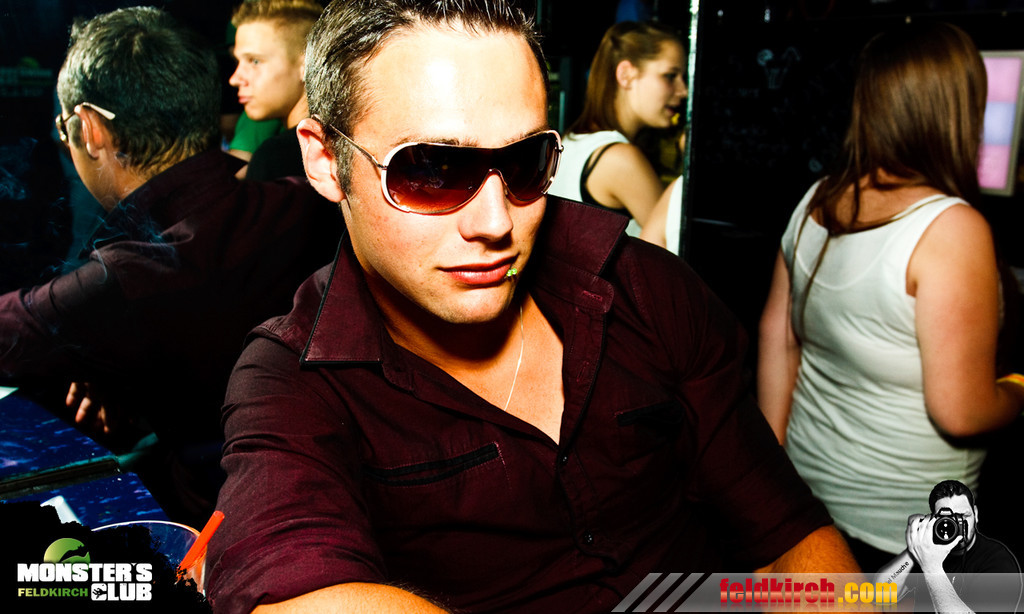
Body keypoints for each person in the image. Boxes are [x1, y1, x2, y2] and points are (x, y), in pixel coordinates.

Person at [205, 1, 859, 612]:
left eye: (525, 162)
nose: (496, 223)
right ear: (326, 160)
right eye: (431, 170)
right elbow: (292, 582)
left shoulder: (645, 287)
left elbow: (786, 533)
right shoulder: (292, 378)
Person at [0, 6, 342, 527]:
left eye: (63, 129)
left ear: (88, 129)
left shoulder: (127, 279)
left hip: (220, 530)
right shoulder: (309, 204)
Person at [757, 21, 1024, 572]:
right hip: (906, 532)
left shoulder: (817, 200)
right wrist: (1019, 387)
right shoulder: (952, 228)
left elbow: (778, 340)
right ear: (957, 109)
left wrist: (771, 481)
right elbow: (962, 412)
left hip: (808, 510)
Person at [547, 20, 686, 239]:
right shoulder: (621, 158)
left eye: (683, 78)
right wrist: (688, 161)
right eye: (670, 76)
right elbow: (676, 243)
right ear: (626, 75)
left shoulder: (574, 140)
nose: (683, 91)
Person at [874, 480, 1021, 612]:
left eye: (963, 516)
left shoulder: (998, 561)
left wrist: (932, 569)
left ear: (975, 514)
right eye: (947, 519)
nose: (956, 525)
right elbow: (880, 595)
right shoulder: (927, 551)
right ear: (934, 520)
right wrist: (914, 547)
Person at [228, 0, 323, 180]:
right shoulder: (343, 140)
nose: (235, 79)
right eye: (237, 61)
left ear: (306, 65)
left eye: (255, 61)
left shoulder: (274, 158)